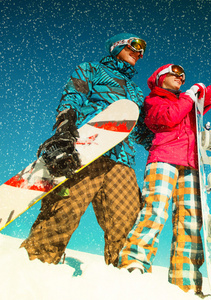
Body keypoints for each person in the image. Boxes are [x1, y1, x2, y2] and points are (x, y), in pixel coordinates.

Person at [119, 63, 211, 296]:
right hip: (163, 160)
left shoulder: (191, 103)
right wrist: (190, 96)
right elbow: (168, 118)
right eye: (175, 74)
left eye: (183, 76)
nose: (181, 78)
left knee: (190, 224)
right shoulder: (154, 101)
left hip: (191, 166)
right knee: (155, 211)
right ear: (161, 78)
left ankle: (185, 283)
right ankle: (134, 264)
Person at [21, 33, 154, 267]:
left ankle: (123, 278)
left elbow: (141, 130)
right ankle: (37, 263)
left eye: (142, 50)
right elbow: (73, 96)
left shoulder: (137, 92)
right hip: (86, 150)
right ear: (117, 46)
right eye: (134, 46)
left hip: (122, 160)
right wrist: (65, 126)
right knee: (65, 211)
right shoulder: (90, 69)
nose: (139, 53)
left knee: (126, 220)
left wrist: (164, 144)